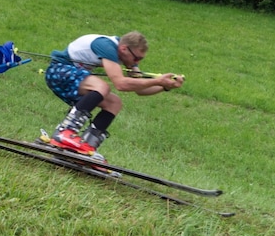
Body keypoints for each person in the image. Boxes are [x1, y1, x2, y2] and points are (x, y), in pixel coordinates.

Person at [43, 31, 183, 162]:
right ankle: (64, 132)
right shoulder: (107, 47)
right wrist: (158, 80)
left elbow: (141, 90)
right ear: (124, 49)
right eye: (136, 58)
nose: (137, 62)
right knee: (103, 87)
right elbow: (121, 84)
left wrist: (165, 86)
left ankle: (87, 146)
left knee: (114, 102)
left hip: (72, 76)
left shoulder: (126, 55)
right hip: (59, 71)